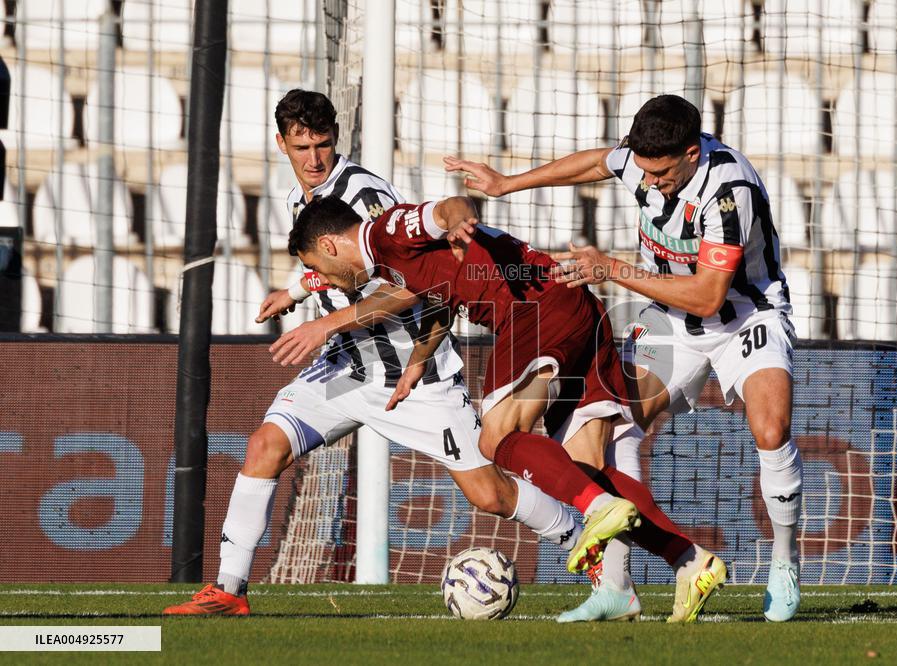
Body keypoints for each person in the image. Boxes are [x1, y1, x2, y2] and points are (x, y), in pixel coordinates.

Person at [163, 90, 585, 616]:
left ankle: (584, 541)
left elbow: (418, 284)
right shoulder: (301, 200)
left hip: (413, 375)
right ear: (281, 145)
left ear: (336, 140)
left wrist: (323, 323)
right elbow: (335, 264)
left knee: (490, 495)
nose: (314, 159)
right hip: (346, 369)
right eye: (302, 147)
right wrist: (295, 292)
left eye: (322, 145)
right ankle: (229, 590)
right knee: (265, 445)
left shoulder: (365, 196)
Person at [285, 193, 729, 624]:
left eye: (314, 267)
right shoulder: (393, 262)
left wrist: (459, 219)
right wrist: (416, 365)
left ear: (327, 246)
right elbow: (441, 296)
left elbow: (448, 207)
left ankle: (596, 510)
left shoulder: (385, 232)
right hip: (576, 307)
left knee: (495, 439)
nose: (320, 276)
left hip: (533, 310)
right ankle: (686, 562)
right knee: (584, 465)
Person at [446, 94, 802, 622]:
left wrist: (611, 269)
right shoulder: (643, 161)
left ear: (690, 153)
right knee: (611, 428)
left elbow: (707, 295)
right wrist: (506, 184)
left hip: (745, 316)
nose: (650, 182)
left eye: (661, 173)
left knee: (770, 430)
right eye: (643, 170)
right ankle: (618, 587)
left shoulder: (729, 192)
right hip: (666, 318)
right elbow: (595, 161)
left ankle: (783, 559)